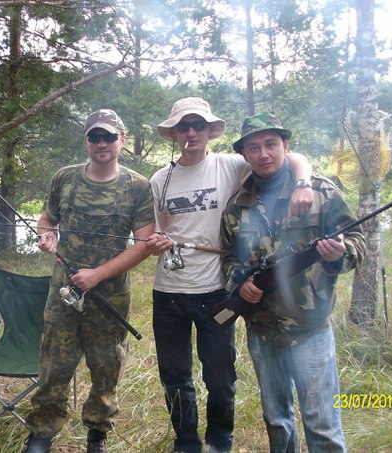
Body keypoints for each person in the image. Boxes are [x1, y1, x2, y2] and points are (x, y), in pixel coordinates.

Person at [146, 97, 314, 453]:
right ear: (174, 133)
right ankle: (186, 442)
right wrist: (155, 243)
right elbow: (155, 232)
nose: (191, 133)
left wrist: (303, 183)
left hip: (216, 292)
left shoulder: (231, 165)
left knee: (220, 375)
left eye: (198, 125)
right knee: (174, 376)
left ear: (210, 130)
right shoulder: (160, 179)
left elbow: (292, 157)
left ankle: (219, 440)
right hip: (168, 293)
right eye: (183, 126)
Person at [220, 112, 366, 452]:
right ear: (244, 154)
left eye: (271, 144)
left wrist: (339, 255)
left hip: (309, 328)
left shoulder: (320, 192)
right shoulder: (236, 206)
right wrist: (239, 285)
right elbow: (227, 258)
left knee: (323, 425)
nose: (264, 154)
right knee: (277, 420)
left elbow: (358, 242)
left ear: (285, 146)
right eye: (254, 147)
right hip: (261, 329)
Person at [22, 109, 155, 453]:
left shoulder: (138, 186)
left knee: (106, 364)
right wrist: (47, 235)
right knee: (54, 363)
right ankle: (42, 432)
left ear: (122, 140)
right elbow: (47, 219)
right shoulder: (64, 177)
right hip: (63, 291)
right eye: (95, 136)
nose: (102, 143)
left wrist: (98, 275)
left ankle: (97, 432)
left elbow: (143, 244)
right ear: (86, 140)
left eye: (109, 137)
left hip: (110, 295)